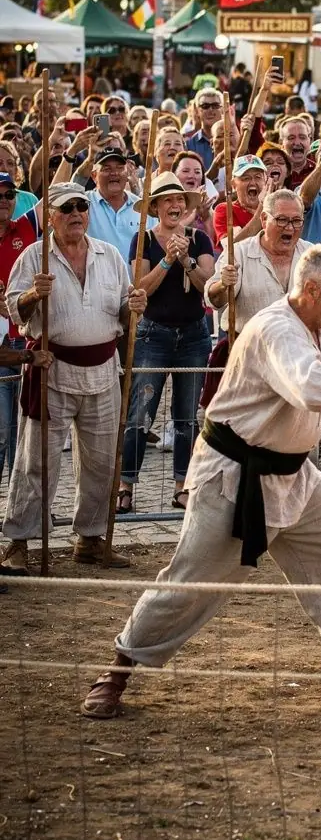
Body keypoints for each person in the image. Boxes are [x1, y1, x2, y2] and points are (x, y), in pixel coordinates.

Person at [81, 246, 321, 719]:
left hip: (295, 475)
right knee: (191, 581)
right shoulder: (276, 330)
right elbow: (312, 388)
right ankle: (116, 673)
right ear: (312, 290)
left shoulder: (317, 321)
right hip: (234, 476)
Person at [1, 184, 146, 572]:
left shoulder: (110, 254)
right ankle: (19, 541)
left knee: (101, 461)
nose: (77, 214)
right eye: (67, 209)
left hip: (103, 369)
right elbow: (15, 312)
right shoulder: (34, 257)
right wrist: (34, 293)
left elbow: (122, 312)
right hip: (52, 367)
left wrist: (135, 306)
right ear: (51, 216)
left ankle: (91, 538)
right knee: (37, 461)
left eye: (82, 206)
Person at [118, 174, 215, 513]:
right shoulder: (142, 239)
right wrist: (167, 260)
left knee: (187, 417)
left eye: (180, 201)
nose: (175, 206)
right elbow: (139, 288)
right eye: (167, 201)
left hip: (193, 335)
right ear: (156, 207)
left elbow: (208, 287)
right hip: (153, 334)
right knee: (140, 415)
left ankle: (182, 487)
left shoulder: (199, 239)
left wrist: (187, 260)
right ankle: (125, 486)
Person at [206, 188, 310, 335]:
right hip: (250, 349)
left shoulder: (311, 255)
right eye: (281, 220)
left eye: (296, 221)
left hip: (299, 349)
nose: (290, 227)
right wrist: (223, 284)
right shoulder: (238, 253)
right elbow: (216, 300)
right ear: (264, 219)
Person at [0, 171, 36, 481]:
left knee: (20, 434)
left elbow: (56, 196)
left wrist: (73, 154)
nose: (3, 200)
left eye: (9, 194)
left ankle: (15, 507)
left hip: (22, 341)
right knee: (0, 432)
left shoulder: (25, 228)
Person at [86, 147, 146, 263]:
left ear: (127, 172)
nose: (114, 173)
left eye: (119, 168)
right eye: (106, 169)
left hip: (134, 280)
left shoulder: (141, 207)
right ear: (94, 176)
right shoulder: (83, 204)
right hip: (97, 280)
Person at [213, 154, 267, 250]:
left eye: (258, 177)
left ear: (265, 181)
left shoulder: (275, 209)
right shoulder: (225, 209)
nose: (253, 182)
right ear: (233, 185)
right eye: (246, 178)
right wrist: (262, 206)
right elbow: (231, 249)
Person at [185, 88, 223, 170]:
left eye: (215, 105)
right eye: (205, 106)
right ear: (197, 111)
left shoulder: (232, 140)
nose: (210, 110)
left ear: (222, 110)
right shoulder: (188, 144)